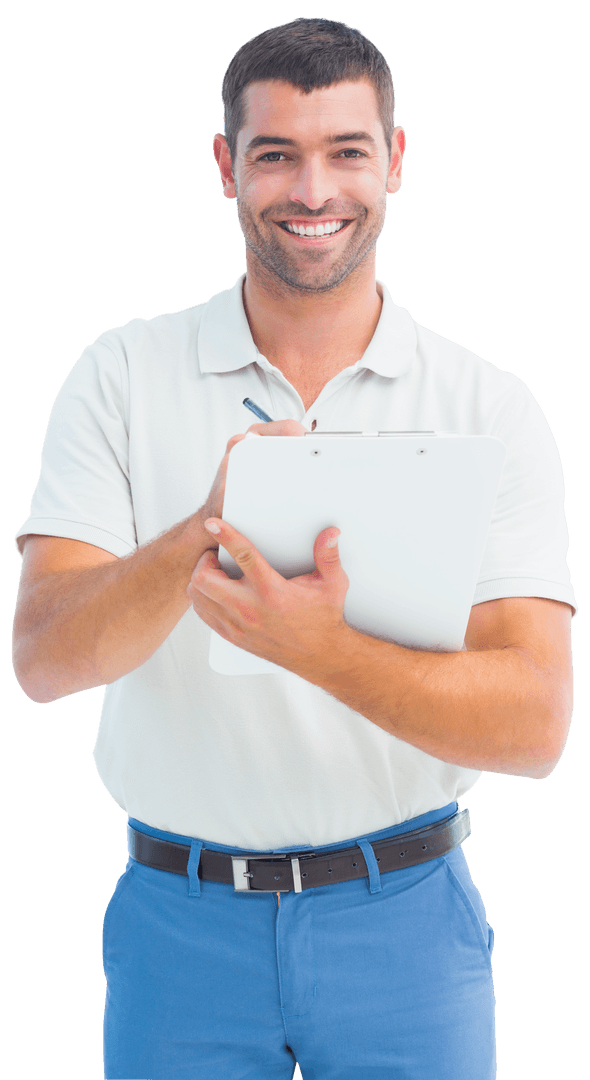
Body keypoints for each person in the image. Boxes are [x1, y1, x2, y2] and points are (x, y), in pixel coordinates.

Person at [11, 16, 575, 1080]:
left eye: (345, 151)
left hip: (404, 927)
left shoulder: (486, 406)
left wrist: (318, 647)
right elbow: (43, 658)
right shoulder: (120, 376)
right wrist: (203, 532)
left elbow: (534, 723)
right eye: (275, 155)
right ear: (227, 168)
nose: (312, 191)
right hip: (179, 929)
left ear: (393, 161)